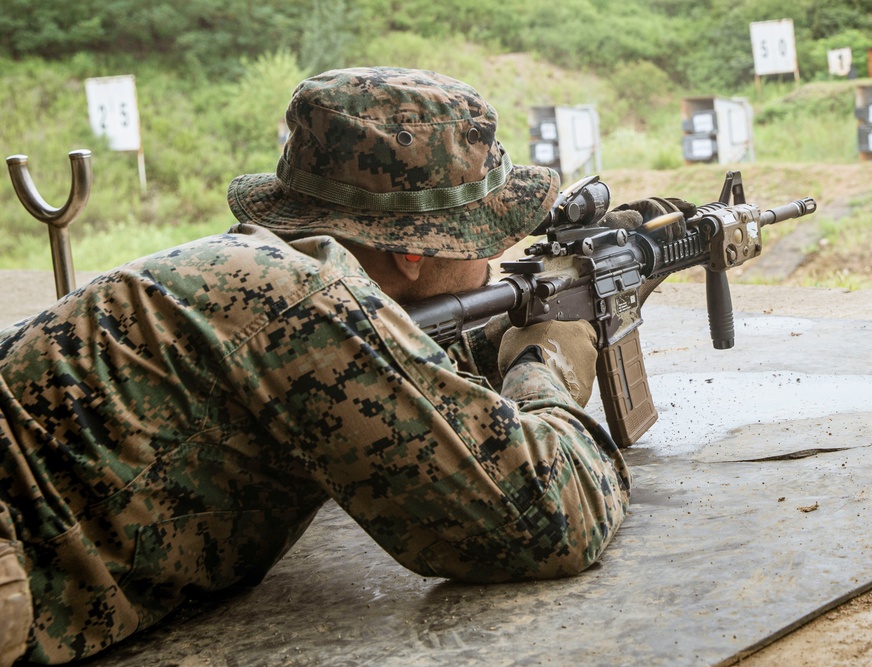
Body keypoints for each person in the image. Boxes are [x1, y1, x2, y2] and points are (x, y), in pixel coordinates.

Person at [0, 67, 631, 665]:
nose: (493, 263)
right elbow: (549, 517)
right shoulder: (302, 300)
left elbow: (380, 392)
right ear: (414, 250)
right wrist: (544, 362)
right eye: (487, 239)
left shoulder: (255, 267)